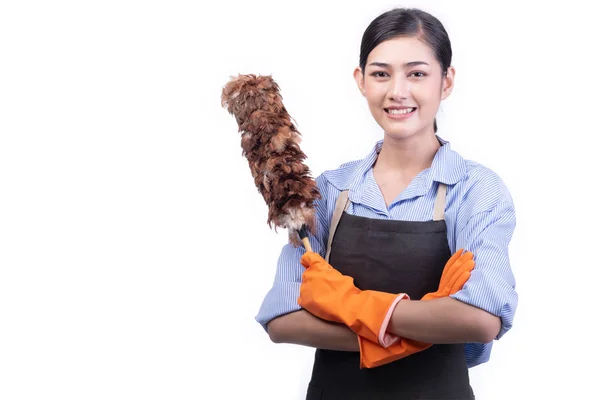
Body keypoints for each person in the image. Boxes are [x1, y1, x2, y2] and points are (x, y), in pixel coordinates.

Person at [255, 7, 518, 400]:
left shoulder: (476, 190)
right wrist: (426, 324)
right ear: (361, 81)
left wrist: (351, 304)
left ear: (446, 81)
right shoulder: (328, 190)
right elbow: (283, 318)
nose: (398, 91)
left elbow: (481, 320)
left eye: (417, 73)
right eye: (381, 73)